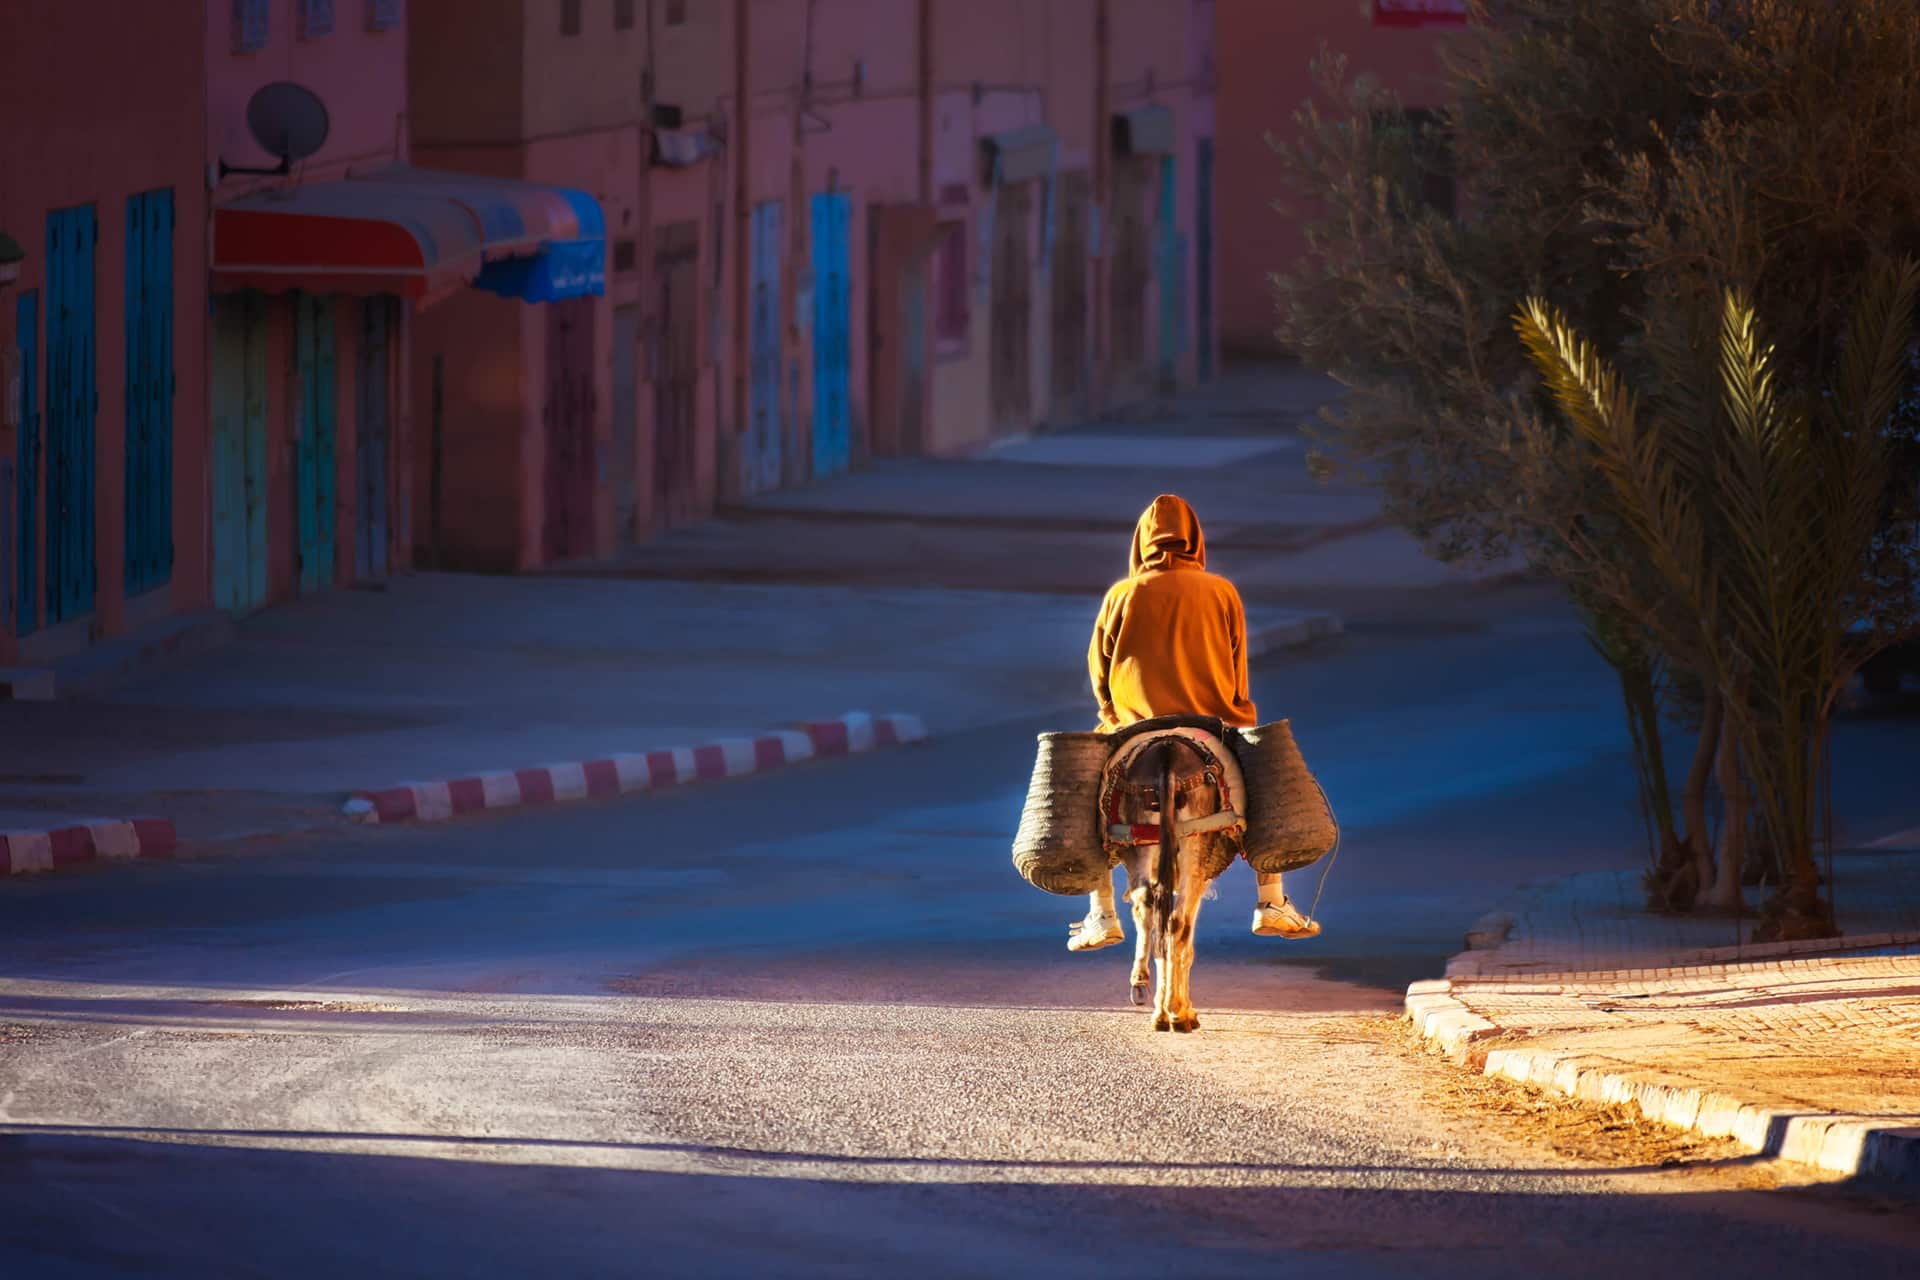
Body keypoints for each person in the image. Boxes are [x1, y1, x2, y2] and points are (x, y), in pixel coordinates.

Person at [1069, 493, 1320, 951]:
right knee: (1266, 784)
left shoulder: (1121, 595)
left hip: (1133, 724)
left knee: (1085, 793)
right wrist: (1236, 712)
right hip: (1212, 720)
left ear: (1141, 540)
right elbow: (1238, 664)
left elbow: (1098, 672)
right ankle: (1271, 900)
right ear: (1194, 540)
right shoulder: (1222, 591)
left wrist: (1111, 715)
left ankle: (1100, 912)